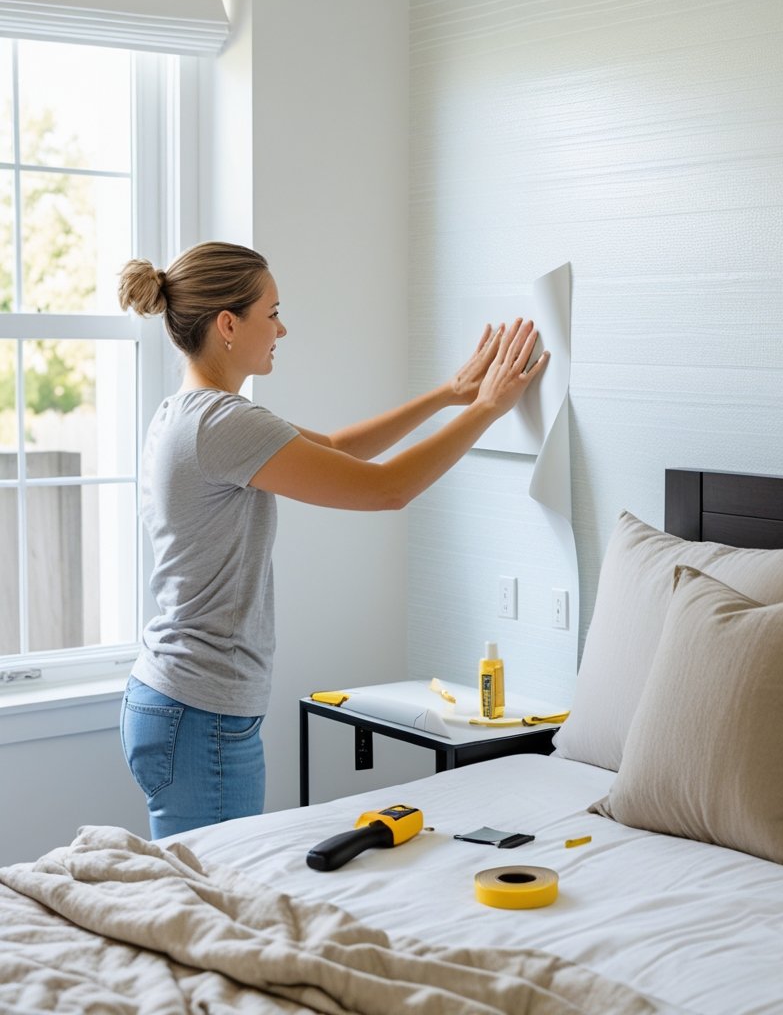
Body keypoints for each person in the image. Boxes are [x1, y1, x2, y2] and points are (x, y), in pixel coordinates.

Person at [117, 241, 548, 838]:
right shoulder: (223, 422)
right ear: (227, 325)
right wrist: (488, 410)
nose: (282, 328)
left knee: (202, 894)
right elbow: (387, 489)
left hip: (180, 702)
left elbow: (340, 450)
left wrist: (450, 395)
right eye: (272, 313)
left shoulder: (189, 412)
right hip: (200, 711)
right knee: (215, 899)